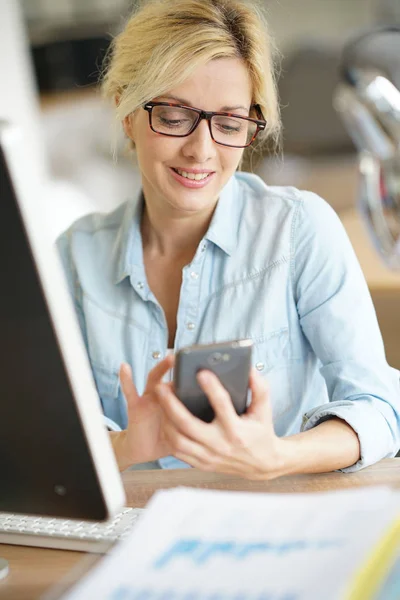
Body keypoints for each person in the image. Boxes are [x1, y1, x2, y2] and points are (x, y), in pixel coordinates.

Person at [57, 0, 400, 479]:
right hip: (135, 531)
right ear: (126, 111)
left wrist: (277, 456)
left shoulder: (298, 230)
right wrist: (129, 445)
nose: (202, 150)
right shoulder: (73, 256)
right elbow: (52, 441)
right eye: (174, 116)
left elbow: (381, 407)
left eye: (230, 123)